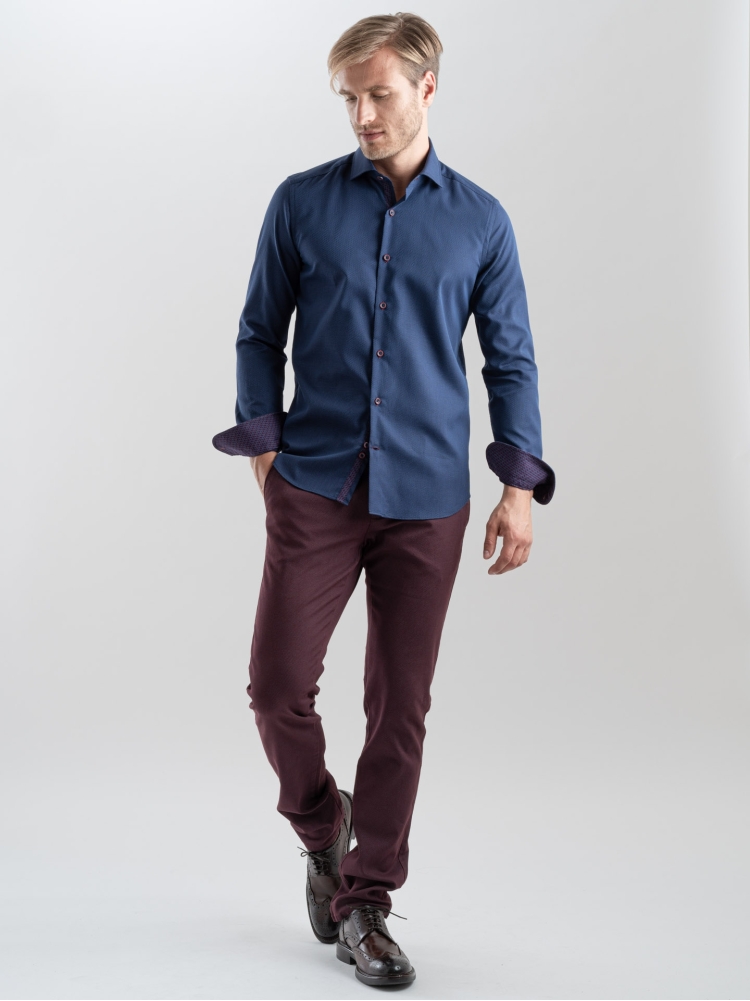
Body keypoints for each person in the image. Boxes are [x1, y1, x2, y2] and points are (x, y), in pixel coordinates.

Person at [212, 11, 555, 989]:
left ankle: (366, 901)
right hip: (314, 485)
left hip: (428, 497)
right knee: (276, 686)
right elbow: (257, 332)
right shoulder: (301, 203)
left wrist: (519, 486)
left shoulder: (481, 220)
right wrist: (264, 452)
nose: (363, 115)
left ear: (427, 87)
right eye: (349, 98)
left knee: (399, 706)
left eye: (380, 94)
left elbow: (511, 359)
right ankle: (323, 825)